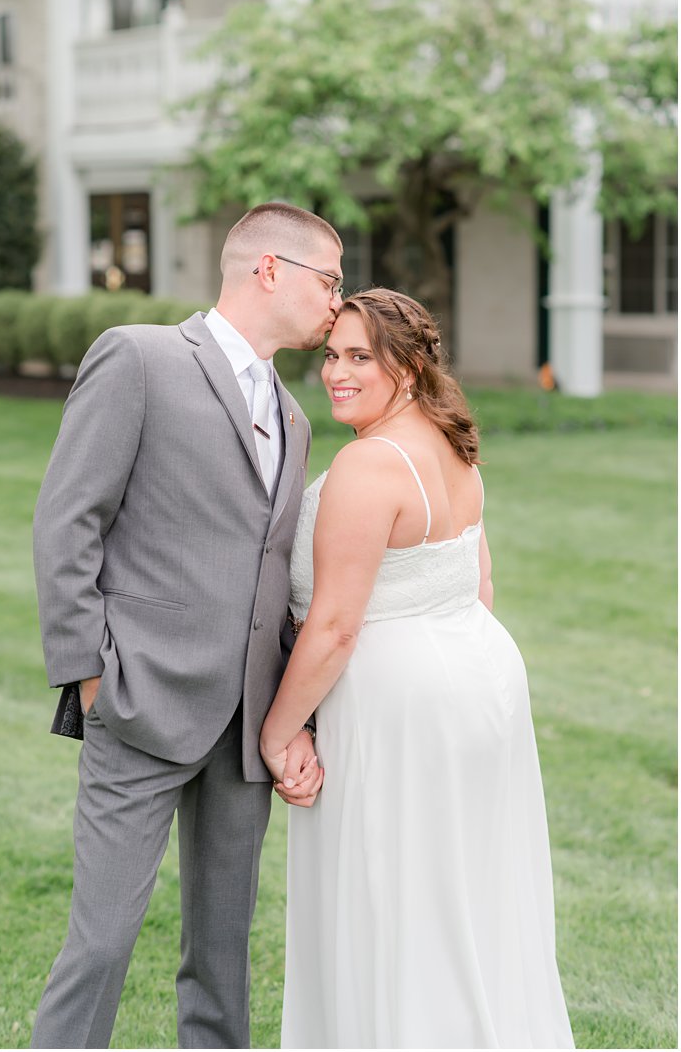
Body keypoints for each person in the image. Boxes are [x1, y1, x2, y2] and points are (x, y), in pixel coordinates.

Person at [30, 202, 337, 1049]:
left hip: (246, 725)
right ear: (269, 268)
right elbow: (67, 522)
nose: (337, 303)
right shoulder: (142, 357)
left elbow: (273, 576)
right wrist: (91, 675)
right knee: (100, 944)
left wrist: (292, 717)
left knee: (223, 954)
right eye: (330, 280)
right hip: (140, 701)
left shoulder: (296, 418)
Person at [262, 288, 574, 1047]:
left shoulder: (370, 466)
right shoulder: (452, 443)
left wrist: (279, 733)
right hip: (480, 679)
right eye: (332, 355)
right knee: (466, 892)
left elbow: (334, 627)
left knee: (393, 900)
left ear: (407, 364)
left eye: (360, 357)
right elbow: (480, 584)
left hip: (396, 706)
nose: (337, 372)